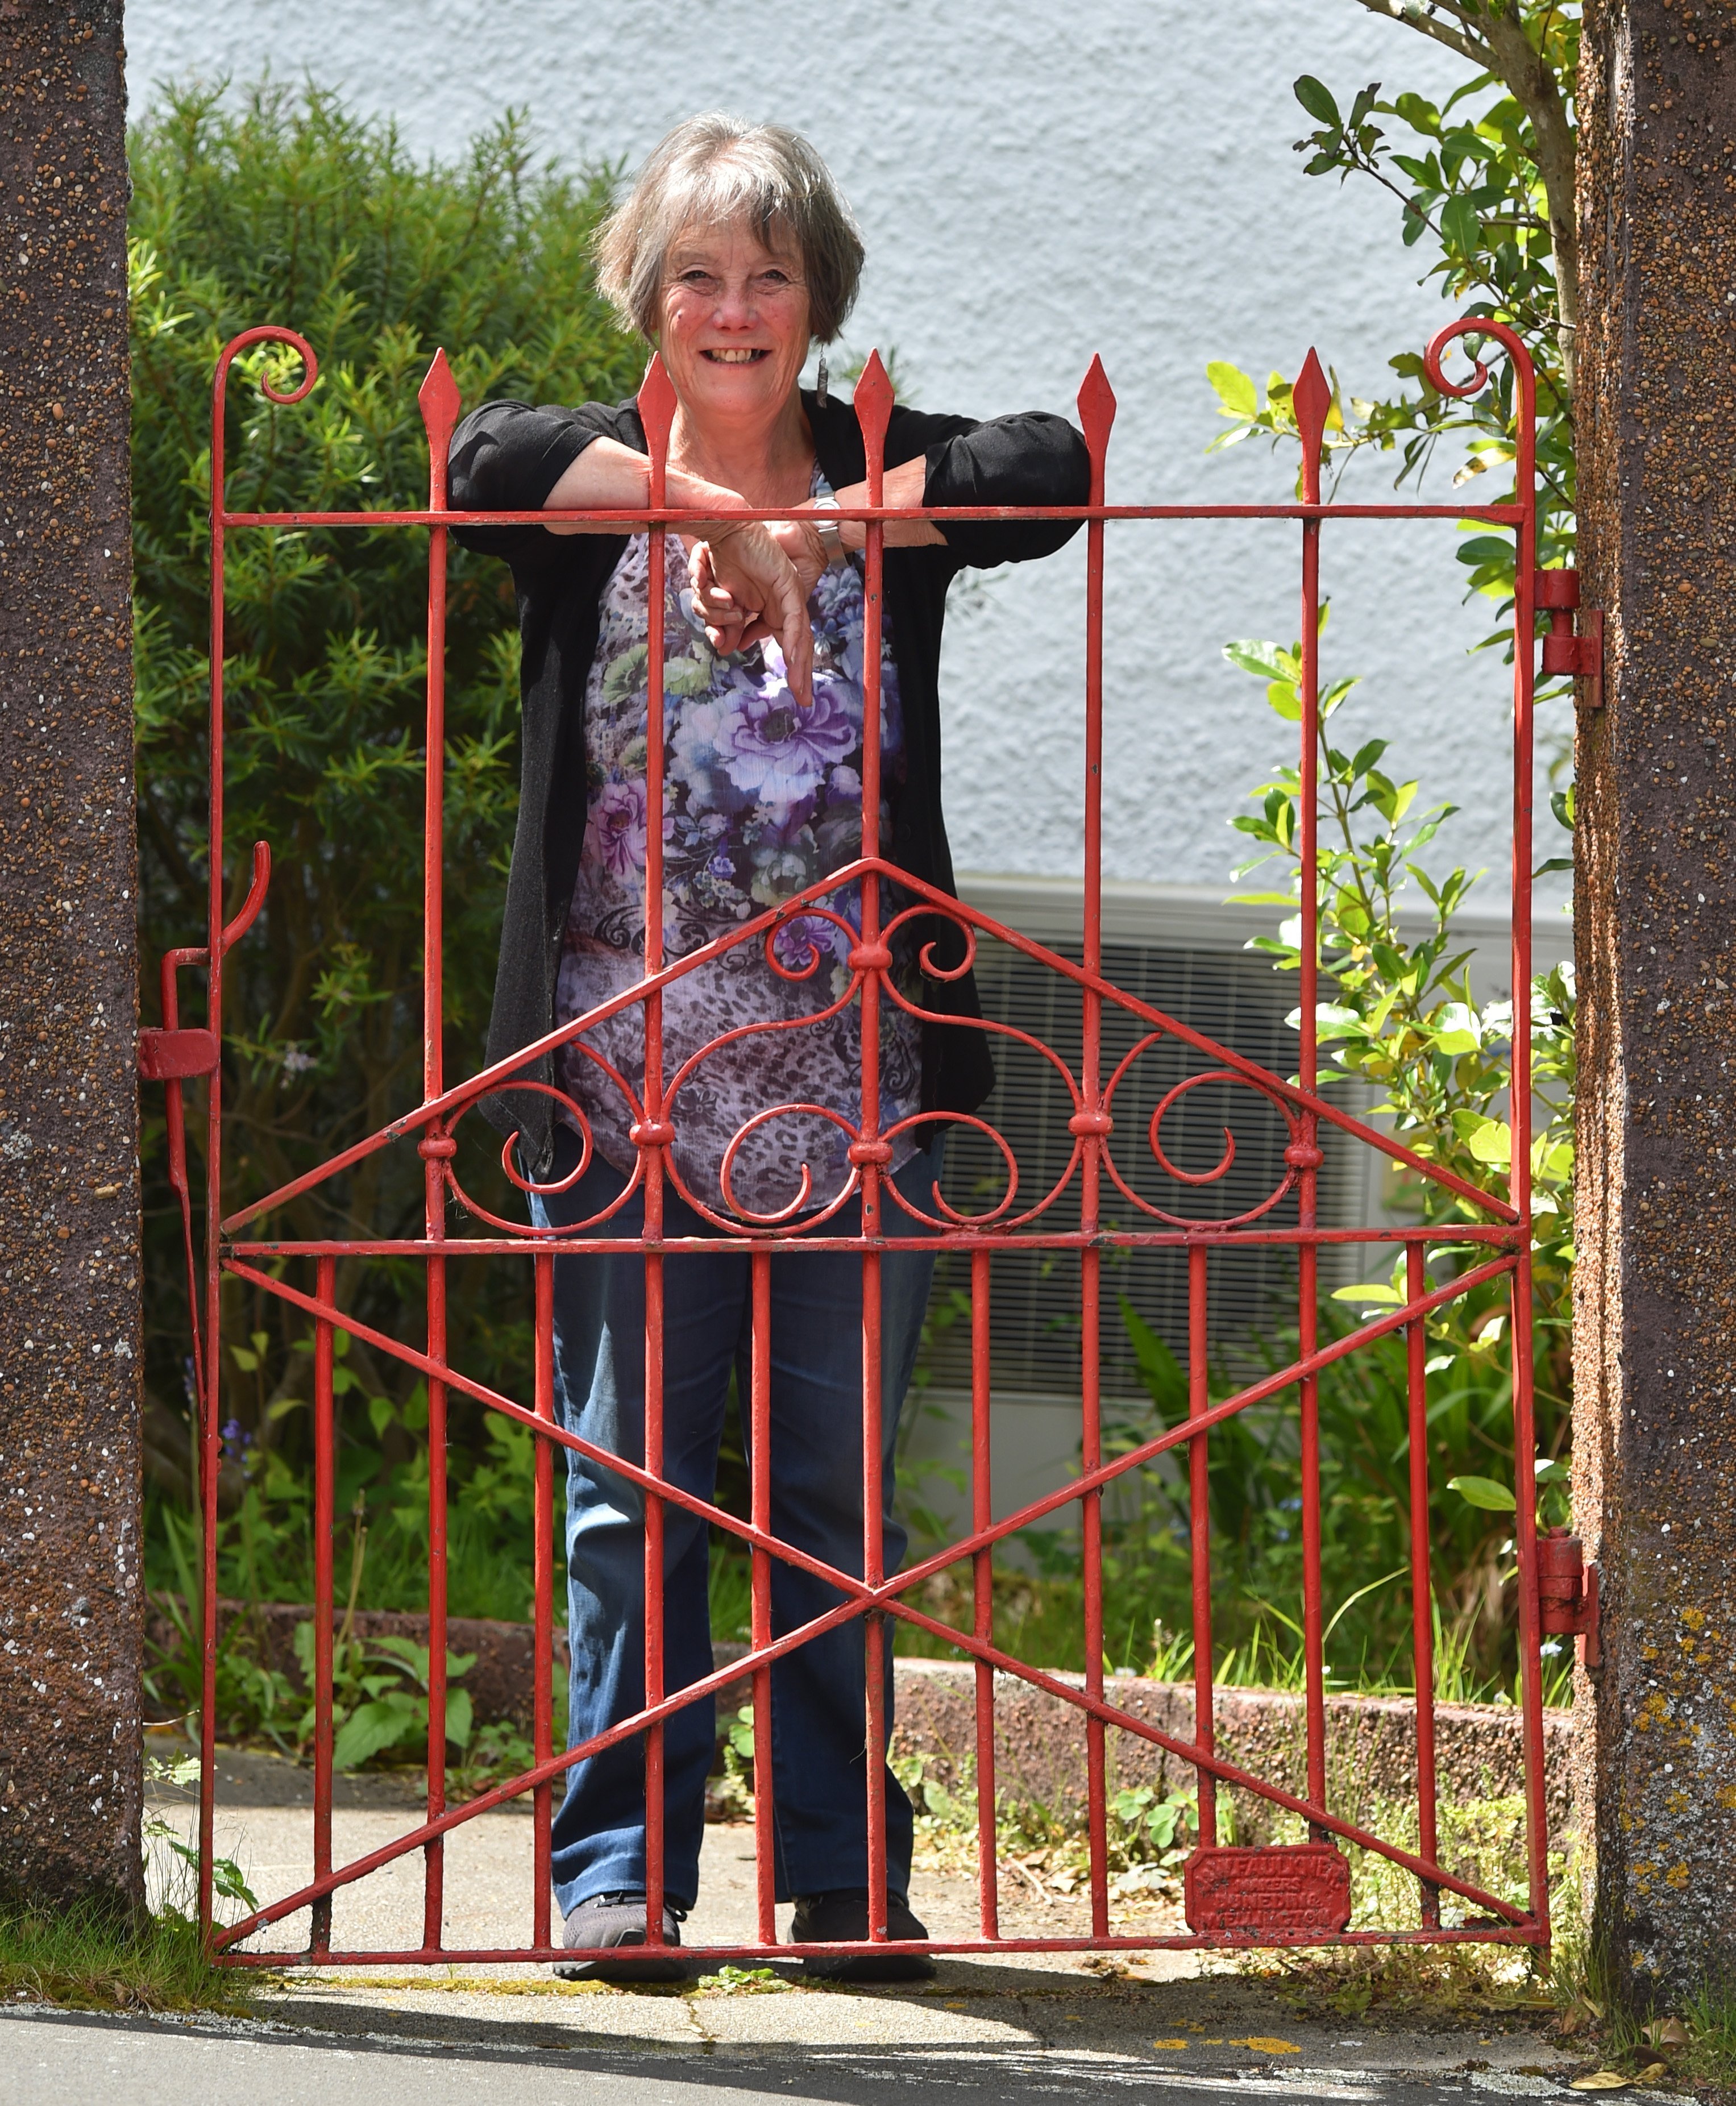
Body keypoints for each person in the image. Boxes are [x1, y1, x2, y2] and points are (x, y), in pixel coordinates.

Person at [448, 112, 1088, 1982]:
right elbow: (473, 458)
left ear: (820, 299)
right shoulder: (583, 483)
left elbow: (1051, 467)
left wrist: (827, 520)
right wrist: (723, 520)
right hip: (626, 1080)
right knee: (625, 1483)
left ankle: (839, 1873)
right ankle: (617, 1870)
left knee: (829, 1498)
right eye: (700, 276)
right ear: (650, 297)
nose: (734, 310)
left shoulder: (894, 463)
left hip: (853, 1078)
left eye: (771, 273)